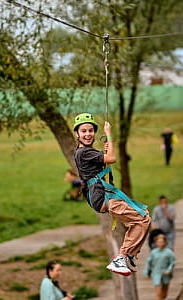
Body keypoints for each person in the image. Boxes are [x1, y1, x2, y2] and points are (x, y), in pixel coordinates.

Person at [73, 113, 151, 276]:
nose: (88, 134)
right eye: (83, 131)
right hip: (103, 196)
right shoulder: (83, 152)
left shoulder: (88, 151)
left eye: (90, 130)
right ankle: (122, 257)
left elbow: (106, 159)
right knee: (141, 219)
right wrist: (108, 134)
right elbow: (112, 158)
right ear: (77, 134)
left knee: (144, 218)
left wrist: (106, 151)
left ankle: (128, 255)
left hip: (105, 194)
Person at [143, 234, 176, 300]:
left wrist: (169, 270)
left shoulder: (169, 252)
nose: (160, 243)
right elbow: (149, 262)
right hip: (156, 273)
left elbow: (173, 262)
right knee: (158, 292)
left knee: (164, 293)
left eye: (162, 242)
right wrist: (146, 272)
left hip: (165, 274)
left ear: (165, 242)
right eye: (158, 242)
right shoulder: (154, 252)